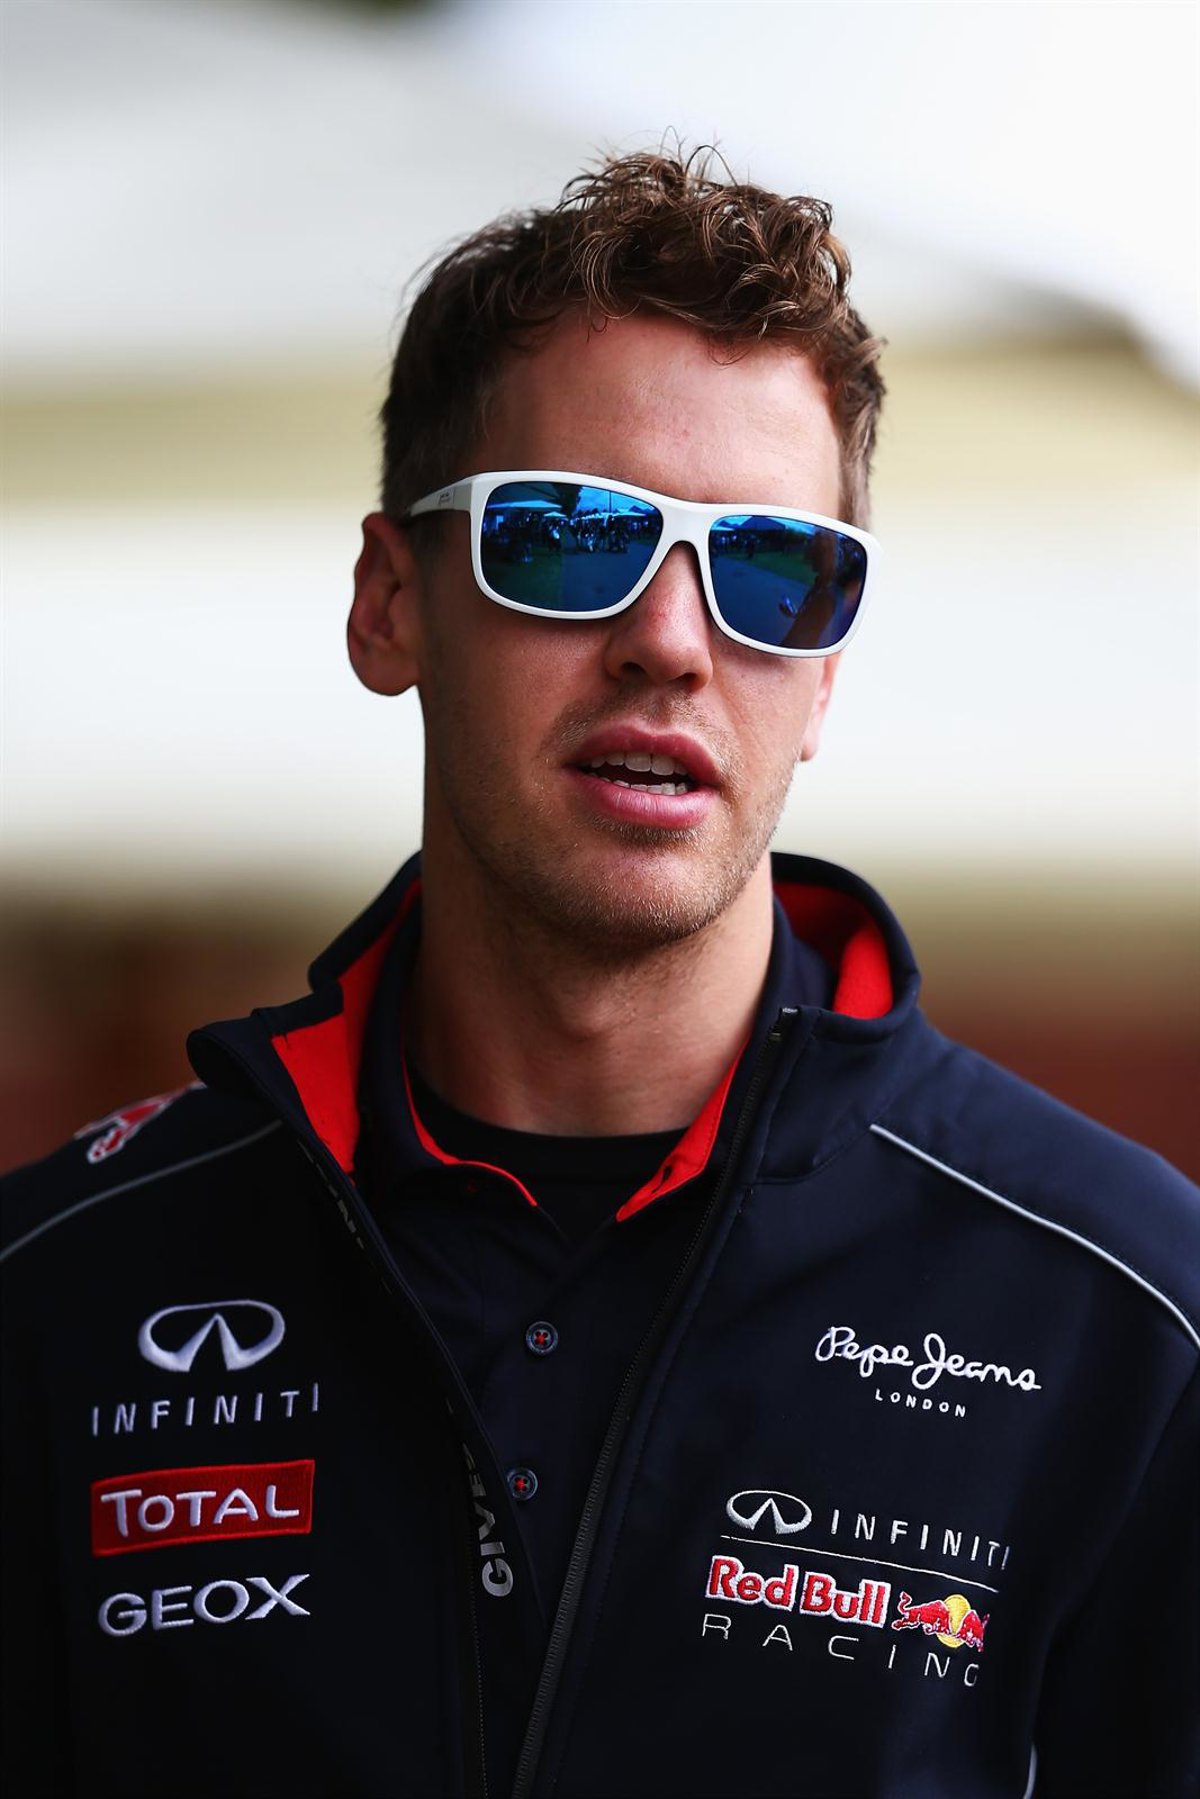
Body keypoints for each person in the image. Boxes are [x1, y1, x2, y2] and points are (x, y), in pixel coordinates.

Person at [1, 147, 1197, 1799]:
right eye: (570, 539)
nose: (674, 641)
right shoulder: (54, 1295)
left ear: (827, 673)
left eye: (773, 570)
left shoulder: (1132, 1316)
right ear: (390, 603)